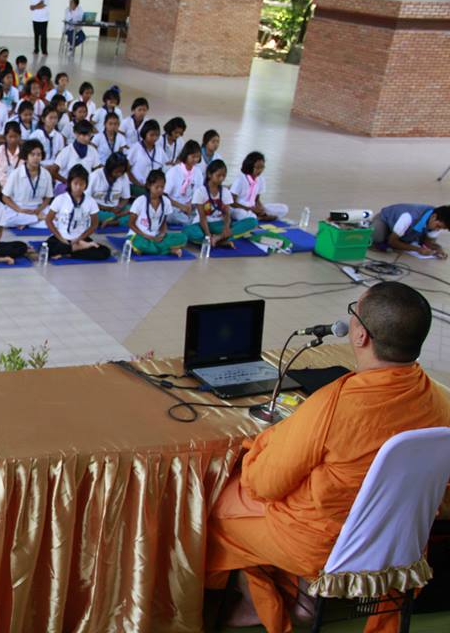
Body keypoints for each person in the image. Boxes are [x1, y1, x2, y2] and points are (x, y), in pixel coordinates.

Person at [205, 282, 450, 633]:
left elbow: (267, 483)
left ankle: (262, 602)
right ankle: (303, 594)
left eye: (353, 313)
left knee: (217, 509)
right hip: (400, 542)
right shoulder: (441, 400)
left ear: (360, 336)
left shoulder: (335, 405)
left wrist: (260, 448)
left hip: (321, 547)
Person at [183, 160, 257, 247]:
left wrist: (226, 228)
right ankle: (220, 242)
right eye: (218, 175)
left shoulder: (225, 192)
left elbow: (227, 214)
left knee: (253, 222)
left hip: (220, 225)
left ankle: (218, 238)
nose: (221, 178)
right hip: (202, 225)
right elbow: (202, 217)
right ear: (209, 175)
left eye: (224, 176)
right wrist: (208, 234)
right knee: (188, 232)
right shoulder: (200, 192)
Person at [44, 166, 111, 261]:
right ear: (69, 183)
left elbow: (94, 224)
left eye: (82, 184)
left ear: (86, 185)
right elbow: (48, 220)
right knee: (46, 249)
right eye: (75, 183)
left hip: (81, 239)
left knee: (104, 252)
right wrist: (60, 238)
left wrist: (80, 238)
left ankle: (70, 252)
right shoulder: (60, 199)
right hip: (61, 238)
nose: (78, 187)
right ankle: (76, 249)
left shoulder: (91, 201)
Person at [127, 169, 188, 256]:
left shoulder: (166, 201)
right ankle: (169, 250)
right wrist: (146, 236)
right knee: (140, 244)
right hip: (139, 235)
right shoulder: (140, 201)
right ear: (149, 186)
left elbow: (163, 223)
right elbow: (131, 224)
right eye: (157, 187)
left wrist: (162, 234)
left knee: (182, 237)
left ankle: (155, 248)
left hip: (156, 236)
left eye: (162, 187)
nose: (160, 190)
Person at [3, 139, 54, 228]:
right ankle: (35, 219)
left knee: (56, 221)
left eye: (39, 155)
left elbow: (48, 197)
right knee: (4, 220)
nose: (36, 158)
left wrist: (39, 209)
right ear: (26, 156)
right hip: (19, 208)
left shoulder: (46, 174)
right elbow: (5, 197)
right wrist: (19, 210)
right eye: (32, 154)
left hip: (38, 208)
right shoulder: (16, 173)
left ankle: (26, 221)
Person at [370, 204, 450, 258]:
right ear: (433, 216)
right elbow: (392, 242)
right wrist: (418, 249)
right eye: (438, 226)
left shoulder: (437, 222)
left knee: (414, 240)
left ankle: (396, 237)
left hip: (403, 229)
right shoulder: (409, 217)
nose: (437, 230)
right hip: (385, 220)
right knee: (377, 237)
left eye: (442, 228)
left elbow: (428, 243)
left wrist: (438, 249)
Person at [229, 152, 290, 222]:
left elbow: (256, 199)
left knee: (284, 208)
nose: (260, 170)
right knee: (244, 215)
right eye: (257, 168)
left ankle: (259, 217)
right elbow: (231, 203)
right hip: (239, 209)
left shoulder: (261, 179)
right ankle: (258, 218)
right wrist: (250, 209)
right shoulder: (240, 180)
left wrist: (261, 209)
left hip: (253, 207)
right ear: (250, 166)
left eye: (262, 167)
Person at [163, 140, 202, 226]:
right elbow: (164, 196)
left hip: (190, 208)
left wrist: (190, 205)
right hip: (174, 207)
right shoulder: (173, 171)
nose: (195, 159)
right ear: (186, 155)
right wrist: (181, 206)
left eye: (198, 157)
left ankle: (192, 220)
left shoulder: (198, 172)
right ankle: (192, 222)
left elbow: (198, 193)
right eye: (193, 157)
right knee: (171, 214)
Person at [89, 154, 132, 229]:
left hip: (115, 210)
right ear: (109, 168)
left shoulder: (124, 176)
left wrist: (119, 207)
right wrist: (105, 208)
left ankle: (109, 221)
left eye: (122, 172)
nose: (119, 174)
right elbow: (86, 199)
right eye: (117, 171)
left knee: (133, 211)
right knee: (88, 213)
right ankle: (115, 221)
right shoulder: (95, 176)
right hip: (98, 209)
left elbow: (125, 198)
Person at [128, 119, 166, 197]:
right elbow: (127, 169)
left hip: (153, 186)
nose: (155, 138)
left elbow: (162, 167)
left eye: (157, 135)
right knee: (151, 196)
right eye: (151, 135)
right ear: (145, 134)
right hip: (137, 185)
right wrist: (137, 183)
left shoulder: (159, 149)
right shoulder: (136, 148)